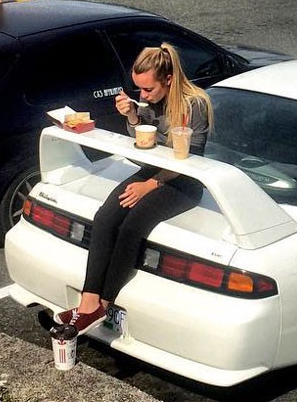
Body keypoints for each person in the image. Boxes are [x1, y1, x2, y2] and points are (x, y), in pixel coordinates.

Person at [54, 42, 214, 335]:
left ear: (168, 80)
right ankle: (88, 301)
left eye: (148, 89)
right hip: (152, 171)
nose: (143, 95)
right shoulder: (151, 101)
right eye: (139, 89)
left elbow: (191, 159)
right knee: (105, 217)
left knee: (131, 226)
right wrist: (131, 115)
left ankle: (104, 301)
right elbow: (144, 141)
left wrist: (150, 186)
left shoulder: (195, 104)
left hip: (184, 181)